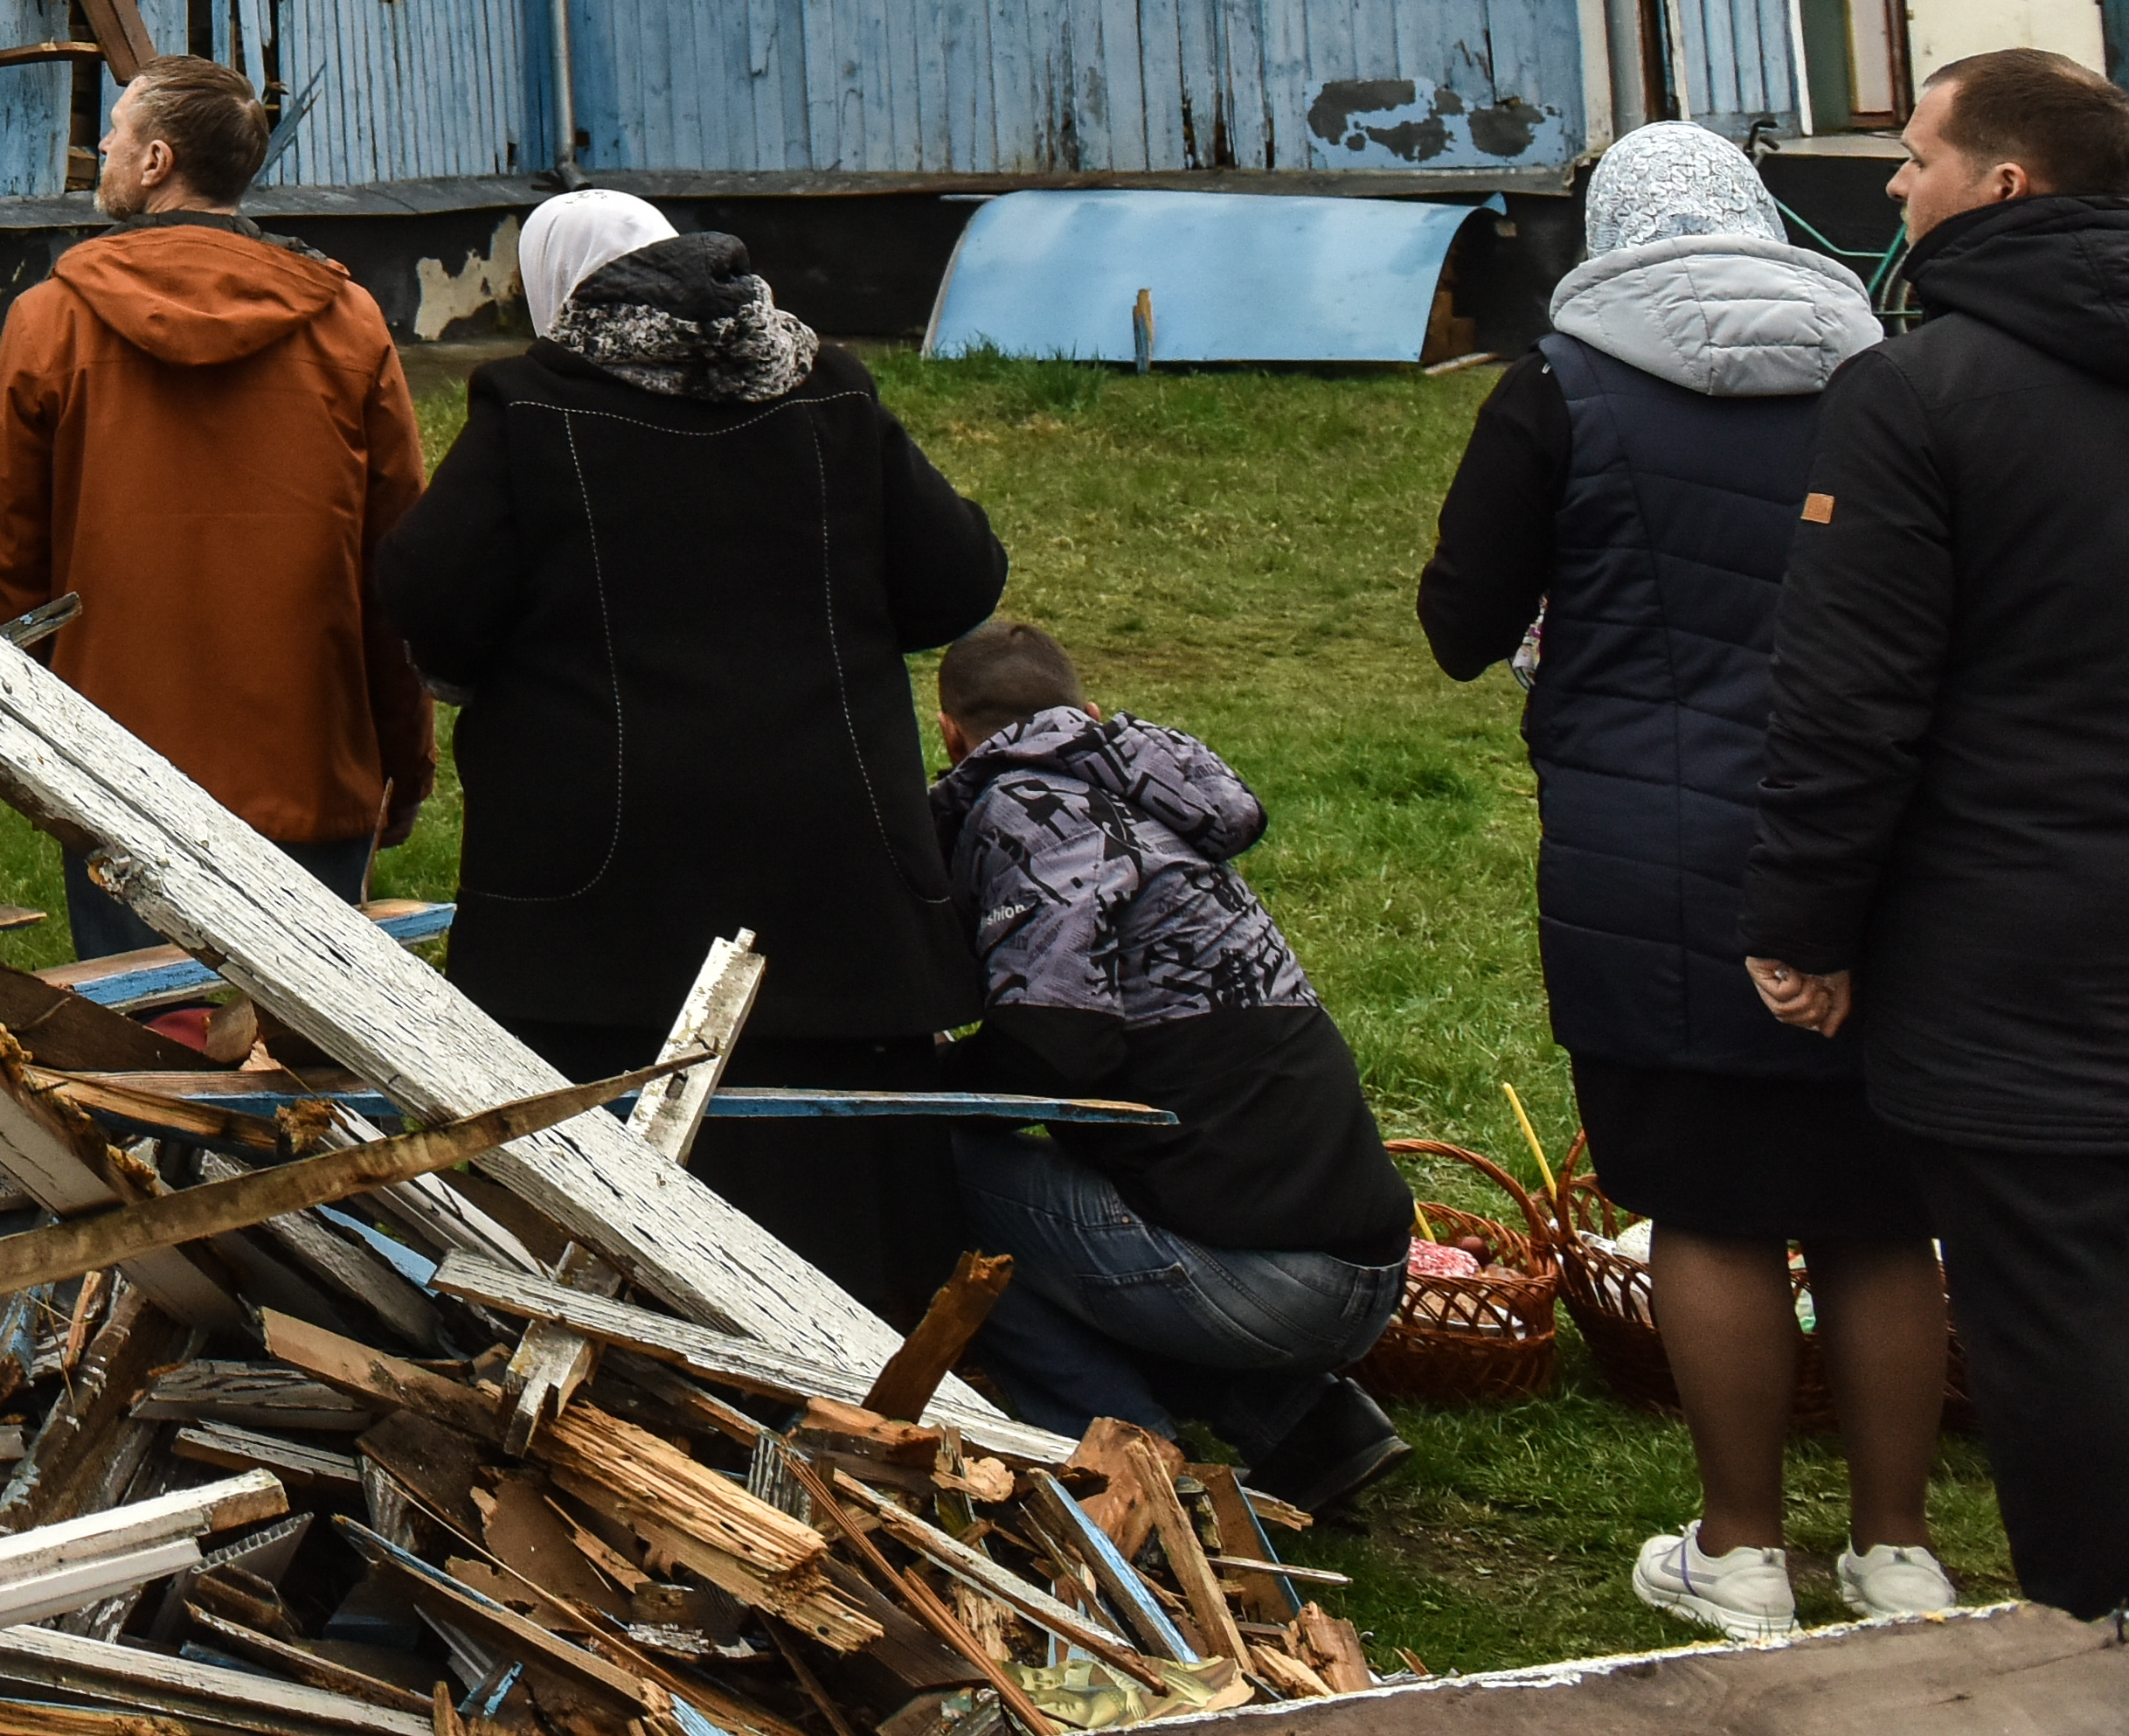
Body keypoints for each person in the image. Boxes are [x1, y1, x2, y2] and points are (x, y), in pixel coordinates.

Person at [1419, 118, 1948, 1639]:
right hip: (1876, 836)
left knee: (1709, 1205)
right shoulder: (1884, 371)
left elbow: (1463, 620)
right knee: (1877, 1207)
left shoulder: (1561, 387)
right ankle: (1902, 1554)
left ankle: (1741, 1553)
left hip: (1649, 848)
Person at [382, 198, 1008, 1312]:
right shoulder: (830, 389)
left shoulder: (534, 406)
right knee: (846, 1209)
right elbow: (955, 579)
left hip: (605, 888)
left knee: (608, 1191)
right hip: (836, 871)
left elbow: (428, 597)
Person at [1748, 45, 2129, 1625]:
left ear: (2002, 182)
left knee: (2059, 1305)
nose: (1892, 186)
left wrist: (1801, 921)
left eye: (1914, 158)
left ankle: (2101, 1624)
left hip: (2014, 932)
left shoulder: (1917, 393)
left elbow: (1852, 695)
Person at [930, 619, 1416, 1513]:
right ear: (1088, 710)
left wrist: (922, 1080)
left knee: (933, 1175)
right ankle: (1307, 1425)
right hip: (1371, 1262)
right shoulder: (1155, 803)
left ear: (949, 731)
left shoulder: (1026, 813)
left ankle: (1129, 1468)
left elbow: (1053, 1054)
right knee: (1072, 1183)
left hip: (1268, 1282)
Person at [0, 59, 433, 955]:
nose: (97, 145)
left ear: (154, 160)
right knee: (314, 1060)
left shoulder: (47, 321)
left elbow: (10, 570)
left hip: (117, 763)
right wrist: (401, 761)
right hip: (308, 759)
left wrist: (39, 746)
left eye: (111, 129)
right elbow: (395, 567)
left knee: (145, 1052)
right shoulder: (351, 323)